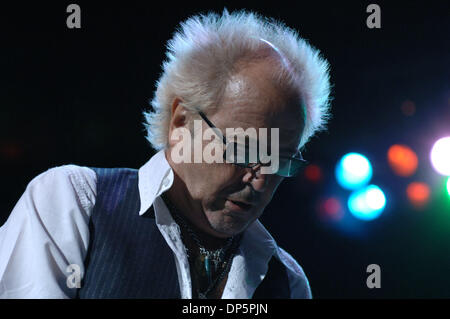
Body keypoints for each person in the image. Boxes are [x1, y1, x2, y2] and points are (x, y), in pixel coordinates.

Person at [0, 9, 331, 299]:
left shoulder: (287, 283)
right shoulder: (72, 201)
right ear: (181, 122)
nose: (260, 180)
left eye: (280, 158)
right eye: (244, 148)